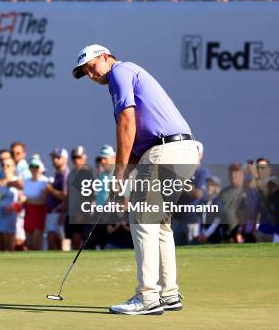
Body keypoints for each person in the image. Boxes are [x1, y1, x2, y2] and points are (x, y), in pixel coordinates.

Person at [72, 44, 201, 315]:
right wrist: (126, 177)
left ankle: (147, 297)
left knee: (142, 219)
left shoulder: (119, 72)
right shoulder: (130, 72)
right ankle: (169, 293)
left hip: (164, 150)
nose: (91, 75)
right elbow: (136, 142)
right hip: (182, 150)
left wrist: (118, 172)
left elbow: (127, 123)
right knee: (161, 225)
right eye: (85, 73)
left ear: (105, 57)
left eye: (92, 67)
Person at [0, 157, 22, 251]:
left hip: (10, 216)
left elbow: (23, 199)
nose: (5, 167)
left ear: (13, 167)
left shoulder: (18, 181)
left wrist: (13, 207)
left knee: (9, 246)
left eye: (8, 165)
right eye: (3, 165)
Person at [64, 146, 92, 250]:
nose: (76, 160)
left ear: (84, 158)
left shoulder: (88, 174)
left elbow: (90, 196)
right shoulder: (71, 174)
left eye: (79, 157)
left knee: (78, 240)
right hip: (71, 213)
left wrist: (82, 213)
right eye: (74, 157)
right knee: (72, 241)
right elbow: (68, 195)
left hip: (81, 213)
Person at [22, 157, 48, 250]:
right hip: (28, 214)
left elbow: (43, 200)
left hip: (39, 215)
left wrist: (28, 200)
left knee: (36, 243)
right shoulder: (26, 182)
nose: (34, 169)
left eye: (36, 166)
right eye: (31, 166)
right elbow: (23, 198)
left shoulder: (45, 181)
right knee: (29, 244)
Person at [45, 148, 69, 250]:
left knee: (62, 241)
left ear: (65, 159)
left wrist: (51, 190)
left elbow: (65, 196)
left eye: (58, 157)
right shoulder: (58, 173)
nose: (55, 160)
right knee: (52, 240)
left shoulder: (65, 174)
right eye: (53, 157)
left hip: (60, 213)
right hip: (55, 212)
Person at [218, 163, 246, 242]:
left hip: (241, 232)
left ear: (242, 174)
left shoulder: (247, 191)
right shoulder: (223, 193)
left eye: (236, 172)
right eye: (231, 172)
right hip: (226, 233)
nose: (233, 175)